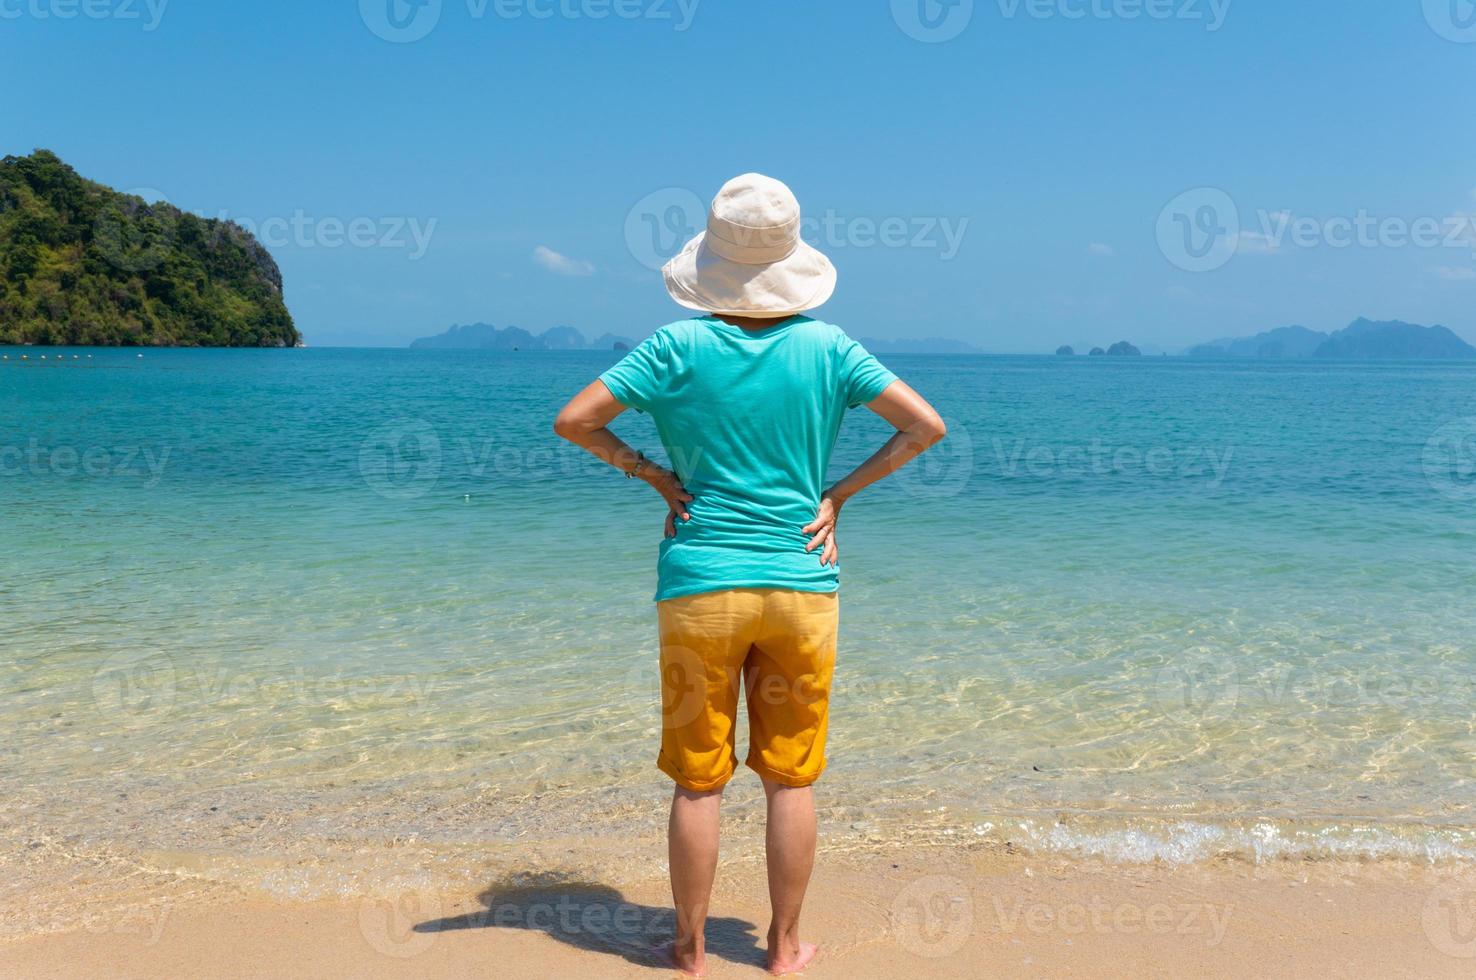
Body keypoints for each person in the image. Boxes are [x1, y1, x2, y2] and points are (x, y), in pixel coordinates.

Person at [553, 173, 946, 977]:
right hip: (803, 584)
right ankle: (782, 946)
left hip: (701, 586)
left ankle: (690, 949)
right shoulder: (829, 348)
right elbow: (924, 427)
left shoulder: (674, 347)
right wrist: (836, 498)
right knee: (789, 782)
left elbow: (575, 420)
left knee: (700, 785)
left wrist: (653, 475)